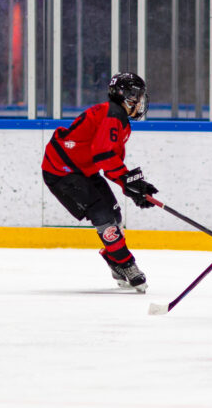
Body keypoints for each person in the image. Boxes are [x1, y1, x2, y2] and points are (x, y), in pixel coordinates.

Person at [41, 72, 159, 293]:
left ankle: (113, 260)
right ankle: (126, 263)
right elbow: (103, 156)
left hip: (82, 169)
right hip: (62, 171)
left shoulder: (117, 117)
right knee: (103, 215)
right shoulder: (113, 116)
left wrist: (131, 185)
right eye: (138, 96)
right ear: (127, 96)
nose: (140, 102)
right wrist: (127, 180)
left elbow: (108, 161)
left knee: (115, 215)